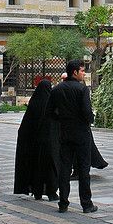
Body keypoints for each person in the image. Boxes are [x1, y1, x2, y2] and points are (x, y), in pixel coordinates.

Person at [48, 59, 98, 214]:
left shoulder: (57, 89)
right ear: (75, 72)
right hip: (82, 133)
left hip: (65, 133)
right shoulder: (82, 89)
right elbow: (87, 111)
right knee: (83, 169)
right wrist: (90, 119)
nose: (84, 73)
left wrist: (62, 119)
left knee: (64, 168)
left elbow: (49, 112)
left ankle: (63, 203)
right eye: (82, 70)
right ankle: (86, 204)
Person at [14, 79, 59, 201]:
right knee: (49, 168)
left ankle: (37, 191)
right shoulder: (50, 104)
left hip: (34, 145)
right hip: (48, 144)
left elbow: (25, 127)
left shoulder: (34, 103)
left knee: (36, 168)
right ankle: (51, 192)